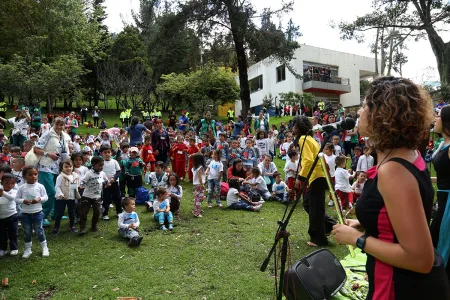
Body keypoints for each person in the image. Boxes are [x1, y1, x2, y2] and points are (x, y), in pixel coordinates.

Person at [332, 76, 450, 299]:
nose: (359, 112)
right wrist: (367, 223)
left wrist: (357, 239)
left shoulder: (393, 170)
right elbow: (403, 216)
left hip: (400, 287)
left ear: (382, 113)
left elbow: (420, 259)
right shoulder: (407, 154)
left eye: (365, 106)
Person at [292, 116, 336, 247]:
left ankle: (319, 239)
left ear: (299, 128)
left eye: (294, 126)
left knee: (315, 208)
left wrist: (300, 177)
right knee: (307, 204)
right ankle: (330, 226)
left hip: (317, 176)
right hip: (318, 176)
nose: (292, 128)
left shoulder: (303, 139)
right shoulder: (310, 139)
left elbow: (308, 160)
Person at [34, 117, 71, 227]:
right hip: (45, 166)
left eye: (61, 125)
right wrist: (49, 154)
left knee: (57, 191)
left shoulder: (63, 136)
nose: (59, 127)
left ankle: (54, 214)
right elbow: (36, 149)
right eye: (57, 124)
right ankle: (43, 216)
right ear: (53, 124)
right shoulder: (47, 134)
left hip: (57, 167)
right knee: (49, 192)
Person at [430, 104, 450, 277]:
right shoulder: (444, 143)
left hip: (448, 203)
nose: (434, 119)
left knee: (440, 238)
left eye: (437, 116)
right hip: (442, 198)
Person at [16, 166, 49, 258]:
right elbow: (16, 198)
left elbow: (46, 197)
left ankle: (45, 248)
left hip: (37, 213)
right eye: (30, 175)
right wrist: (23, 201)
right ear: (24, 176)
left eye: (35, 174)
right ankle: (28, 249)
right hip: (25, 214)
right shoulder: (22, 187)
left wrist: (39, 199)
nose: (33, 176)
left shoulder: (40, 186)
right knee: (27, 231)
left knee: (39, 230)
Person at [79, 156, 109, 234]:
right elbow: (83, 181)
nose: (101, 167)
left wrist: (107, 183)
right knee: (84, 212)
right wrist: (81, 185)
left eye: (102, 165)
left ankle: (94, 225)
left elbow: (106, 180)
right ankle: (82, 228)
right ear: (93, 165)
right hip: (87, 196)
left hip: (97, 197)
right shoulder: (89, 173)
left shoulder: (102, 173)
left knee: (97, 212)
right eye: (99, 165)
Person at [53, 160, 80, 234]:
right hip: (61, 198)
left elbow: (77, 184)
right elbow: (57, 187)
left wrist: (79, 188)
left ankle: (72, 226)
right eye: (66, 167)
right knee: (59, 213)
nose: (68, 168)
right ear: (62, 168)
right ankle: (56, 227)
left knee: (72, 212)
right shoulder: (60, 176)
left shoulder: (75, 176)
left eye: (70, 166)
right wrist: (60, 194)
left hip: (71, 197)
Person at [100, 145, 122, 220]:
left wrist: (114, 178)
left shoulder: (114, 161)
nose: (107, 154)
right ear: (101, 154)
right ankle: (105, 214)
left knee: (117, 197)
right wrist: (105, 182)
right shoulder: (101, 162)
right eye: (105, 152)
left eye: (108, 152)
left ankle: (119, 211)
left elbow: (118, 171)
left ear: (111, 153)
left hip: (114, 182)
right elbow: (99, 173)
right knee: (106, 199)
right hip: (105, 183)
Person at [0, 174, 19, 257]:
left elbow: (12, 198)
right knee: (2, 234)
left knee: (13, 233)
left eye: (12, 183)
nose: (9, 185)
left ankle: (14, 248)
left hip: (12, 216)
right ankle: (3, 249)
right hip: (1, 217)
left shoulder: (14, 191)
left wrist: (3, 193)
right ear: (2, 183)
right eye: (7, 183)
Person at [192, 153, 206, 218]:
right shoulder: (200, 167)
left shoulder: (194, 167)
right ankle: (196, 212)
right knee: (199, 198)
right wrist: (201, 184)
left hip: (195, 184)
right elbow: (199, 176)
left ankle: (197, 209)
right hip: (199, 184)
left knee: (197, 198)